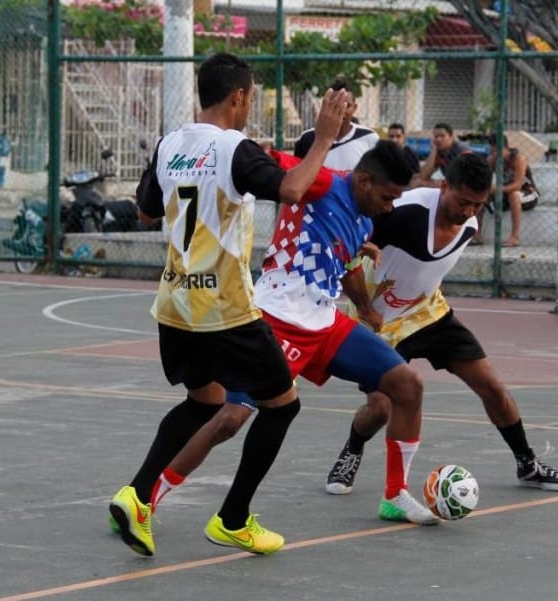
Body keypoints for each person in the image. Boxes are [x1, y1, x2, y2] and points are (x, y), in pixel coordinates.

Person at [108, 53, 350, 557]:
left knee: (206, 402)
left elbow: (147, 210)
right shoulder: (233, 148)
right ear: (238, 96)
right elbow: (292, 188)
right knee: (282, 405)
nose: (251, 105)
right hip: (224, 308)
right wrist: (324, 138)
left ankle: (137, 495)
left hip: (175, 305)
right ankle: (233, 519)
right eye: (252, 96)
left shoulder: (169, 143)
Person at [325, 152, 558, 498]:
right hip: (379, 319)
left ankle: (527, 464)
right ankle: (353, 448)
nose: (469, 212)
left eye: (478, 204)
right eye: (463, 202)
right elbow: (350, 256)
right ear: (444, 187)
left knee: (491, 385)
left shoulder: (471, 222)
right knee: (381, 407)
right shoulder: (404, 212)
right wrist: (365, 308)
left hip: (429, 311)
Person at [255, 139, 438, 526]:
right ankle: (146, 495)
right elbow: (273, 163)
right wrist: (258, 149)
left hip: (324, 321)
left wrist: (367, 308)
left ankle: (396, 495)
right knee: (229, 416)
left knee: (407, 385)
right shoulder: (323, 181)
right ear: (364, 180)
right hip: (278, 316)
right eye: (388, 197)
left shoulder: (366, 219)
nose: (390, 207)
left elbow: (348, 263)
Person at [294, 78, 380, 171]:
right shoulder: (307, 138)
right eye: (334, 105)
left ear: (354, 108)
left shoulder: (369, 137)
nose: (340, 109)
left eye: (346, 105)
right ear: (325, 105)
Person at [486, 133, 538, 248]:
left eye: (497, 151)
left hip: (527, 194)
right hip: (505, 195)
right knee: (481, 194)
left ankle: (514, 237)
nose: (495, 155)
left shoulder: (518, 159)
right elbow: (486, 182)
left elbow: (517, 186)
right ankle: (477, 234)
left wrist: (496, 189)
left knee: (514, 194)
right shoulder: (491, 160)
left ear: (505, 148)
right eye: (492, 152)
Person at [417, 122, 470, 187]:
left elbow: (467, 176)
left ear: (451, 137)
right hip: (450, 184)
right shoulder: (439, 152)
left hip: (464, 185)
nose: (439, 139)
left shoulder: (461, 149)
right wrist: (434, 150)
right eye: (436, 136)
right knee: (418, 182)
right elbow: (423, 176)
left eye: (442, 136)